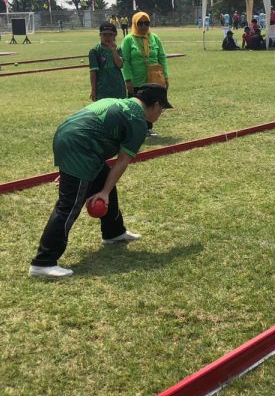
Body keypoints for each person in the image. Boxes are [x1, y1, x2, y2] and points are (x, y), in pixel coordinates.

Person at [29, 84, 172, 278]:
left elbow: (85, 126)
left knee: (106, 181)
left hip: (68, 137)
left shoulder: (117, 102)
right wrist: (100, 190)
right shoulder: (137, 121)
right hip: (80, 147)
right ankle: (43, 262)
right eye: (162, 109)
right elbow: (122, 161)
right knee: (69, 205)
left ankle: (113, 232)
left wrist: (71, 169)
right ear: (155, 105)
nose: (161, 113)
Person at [121, 12, 169, 136]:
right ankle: (133, 130)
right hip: (136, 80)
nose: (143, 26)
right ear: (135, 24)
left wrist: (166, 75)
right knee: (136, 105)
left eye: (146, 23)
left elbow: (162, 57)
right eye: (140, 23)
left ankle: (148, 128)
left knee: (151, 103)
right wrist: (128, 79)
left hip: (153, 79)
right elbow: (125, 61)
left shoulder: (154, 38)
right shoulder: (128, 40)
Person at [89, 21, 126, 101]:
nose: (107, 37)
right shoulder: (95, 51)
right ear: (100, 35)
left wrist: (113, 50)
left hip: (118, 88)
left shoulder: (118, 49)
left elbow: (120, 65)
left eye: (110, 35)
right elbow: (93, 73)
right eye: (104, 34)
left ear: (114, 36)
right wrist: (93, 90)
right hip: (102, 89)